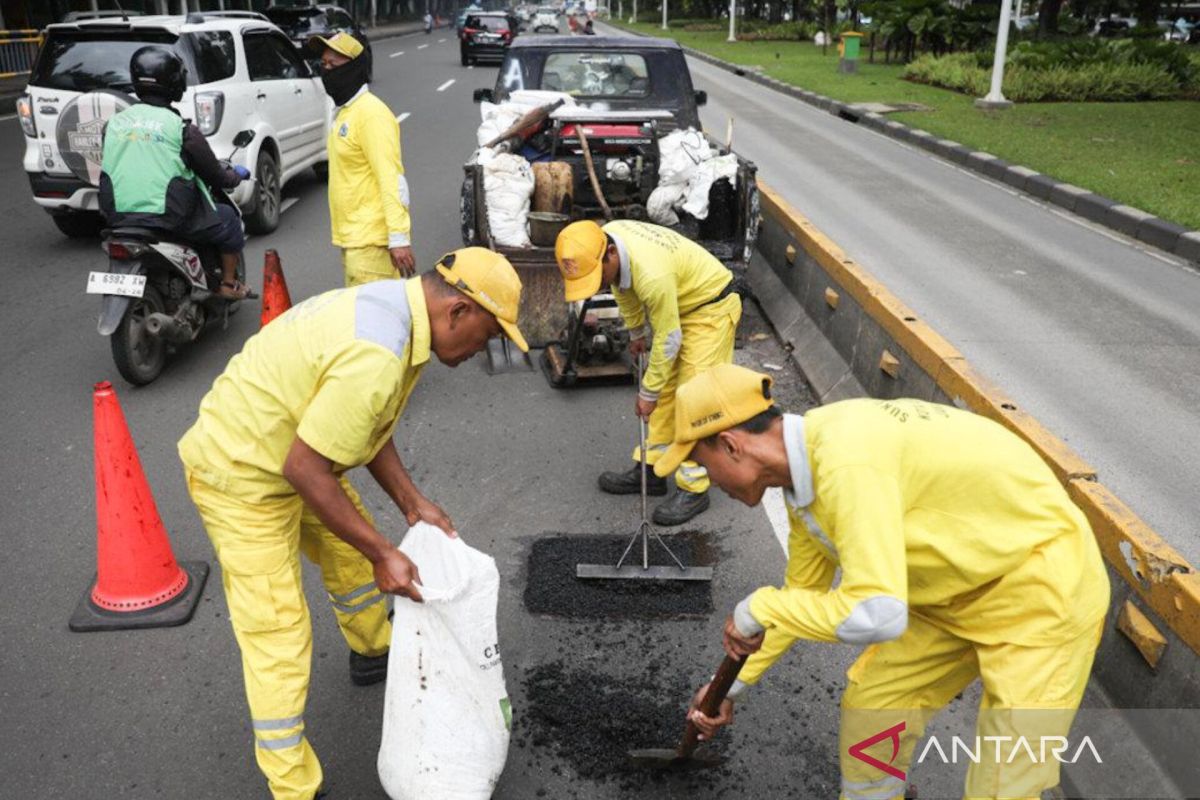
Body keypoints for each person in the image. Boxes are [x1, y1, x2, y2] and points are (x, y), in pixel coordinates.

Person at [658, 364, 1110, 800]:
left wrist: (761, 607)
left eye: (702, 464)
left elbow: (878, 613)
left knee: (1002, 785)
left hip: (1040, 594)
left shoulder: (847, 462)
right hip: (947, 597)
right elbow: (803, 598)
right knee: (875, 707)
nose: (709, 483)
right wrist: (730, 687)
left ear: (732, 445)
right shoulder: (803, 487)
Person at [178, 248, 528, 800]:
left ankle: (373, 651)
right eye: (487, 335)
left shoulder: (403, 318)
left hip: (293, 448)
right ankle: (292, 784)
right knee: (278, 631)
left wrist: (413, 503)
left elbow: (368, 421)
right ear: (458, 312)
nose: (483, 350)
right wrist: (383, 552)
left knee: (350, 558)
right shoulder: (379, 349)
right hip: (242, 469)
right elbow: (305, 467)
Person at [553, 219, 741, 526]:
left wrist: (647, 394)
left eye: (596, 276)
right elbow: (623, 285)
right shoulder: (607, 242)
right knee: (666, 389)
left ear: (610, 253)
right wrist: (636, 331)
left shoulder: (652, 273)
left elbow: (669, 338)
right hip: (679, 305)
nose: (598, 285)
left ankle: (694, 486)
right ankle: (653, 469)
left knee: (694, 399)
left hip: (711, 308)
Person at [99, 46, 252, 299]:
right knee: (229, 220)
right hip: (169, 219)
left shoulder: (112, 125)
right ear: (176, 82)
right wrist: (235, 175)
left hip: (118, 217)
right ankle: (227, 284)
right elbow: (216, 176)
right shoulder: (182, 130)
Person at [310, 32, 415, 287]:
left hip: (372, 245)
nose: (327, 72)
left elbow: (391, 179)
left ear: (355, 69)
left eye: (334, 65)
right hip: (354, 242)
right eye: (323, 65)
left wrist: (399, 239)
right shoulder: (346, 112)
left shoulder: (371, 114)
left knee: (372, 322)